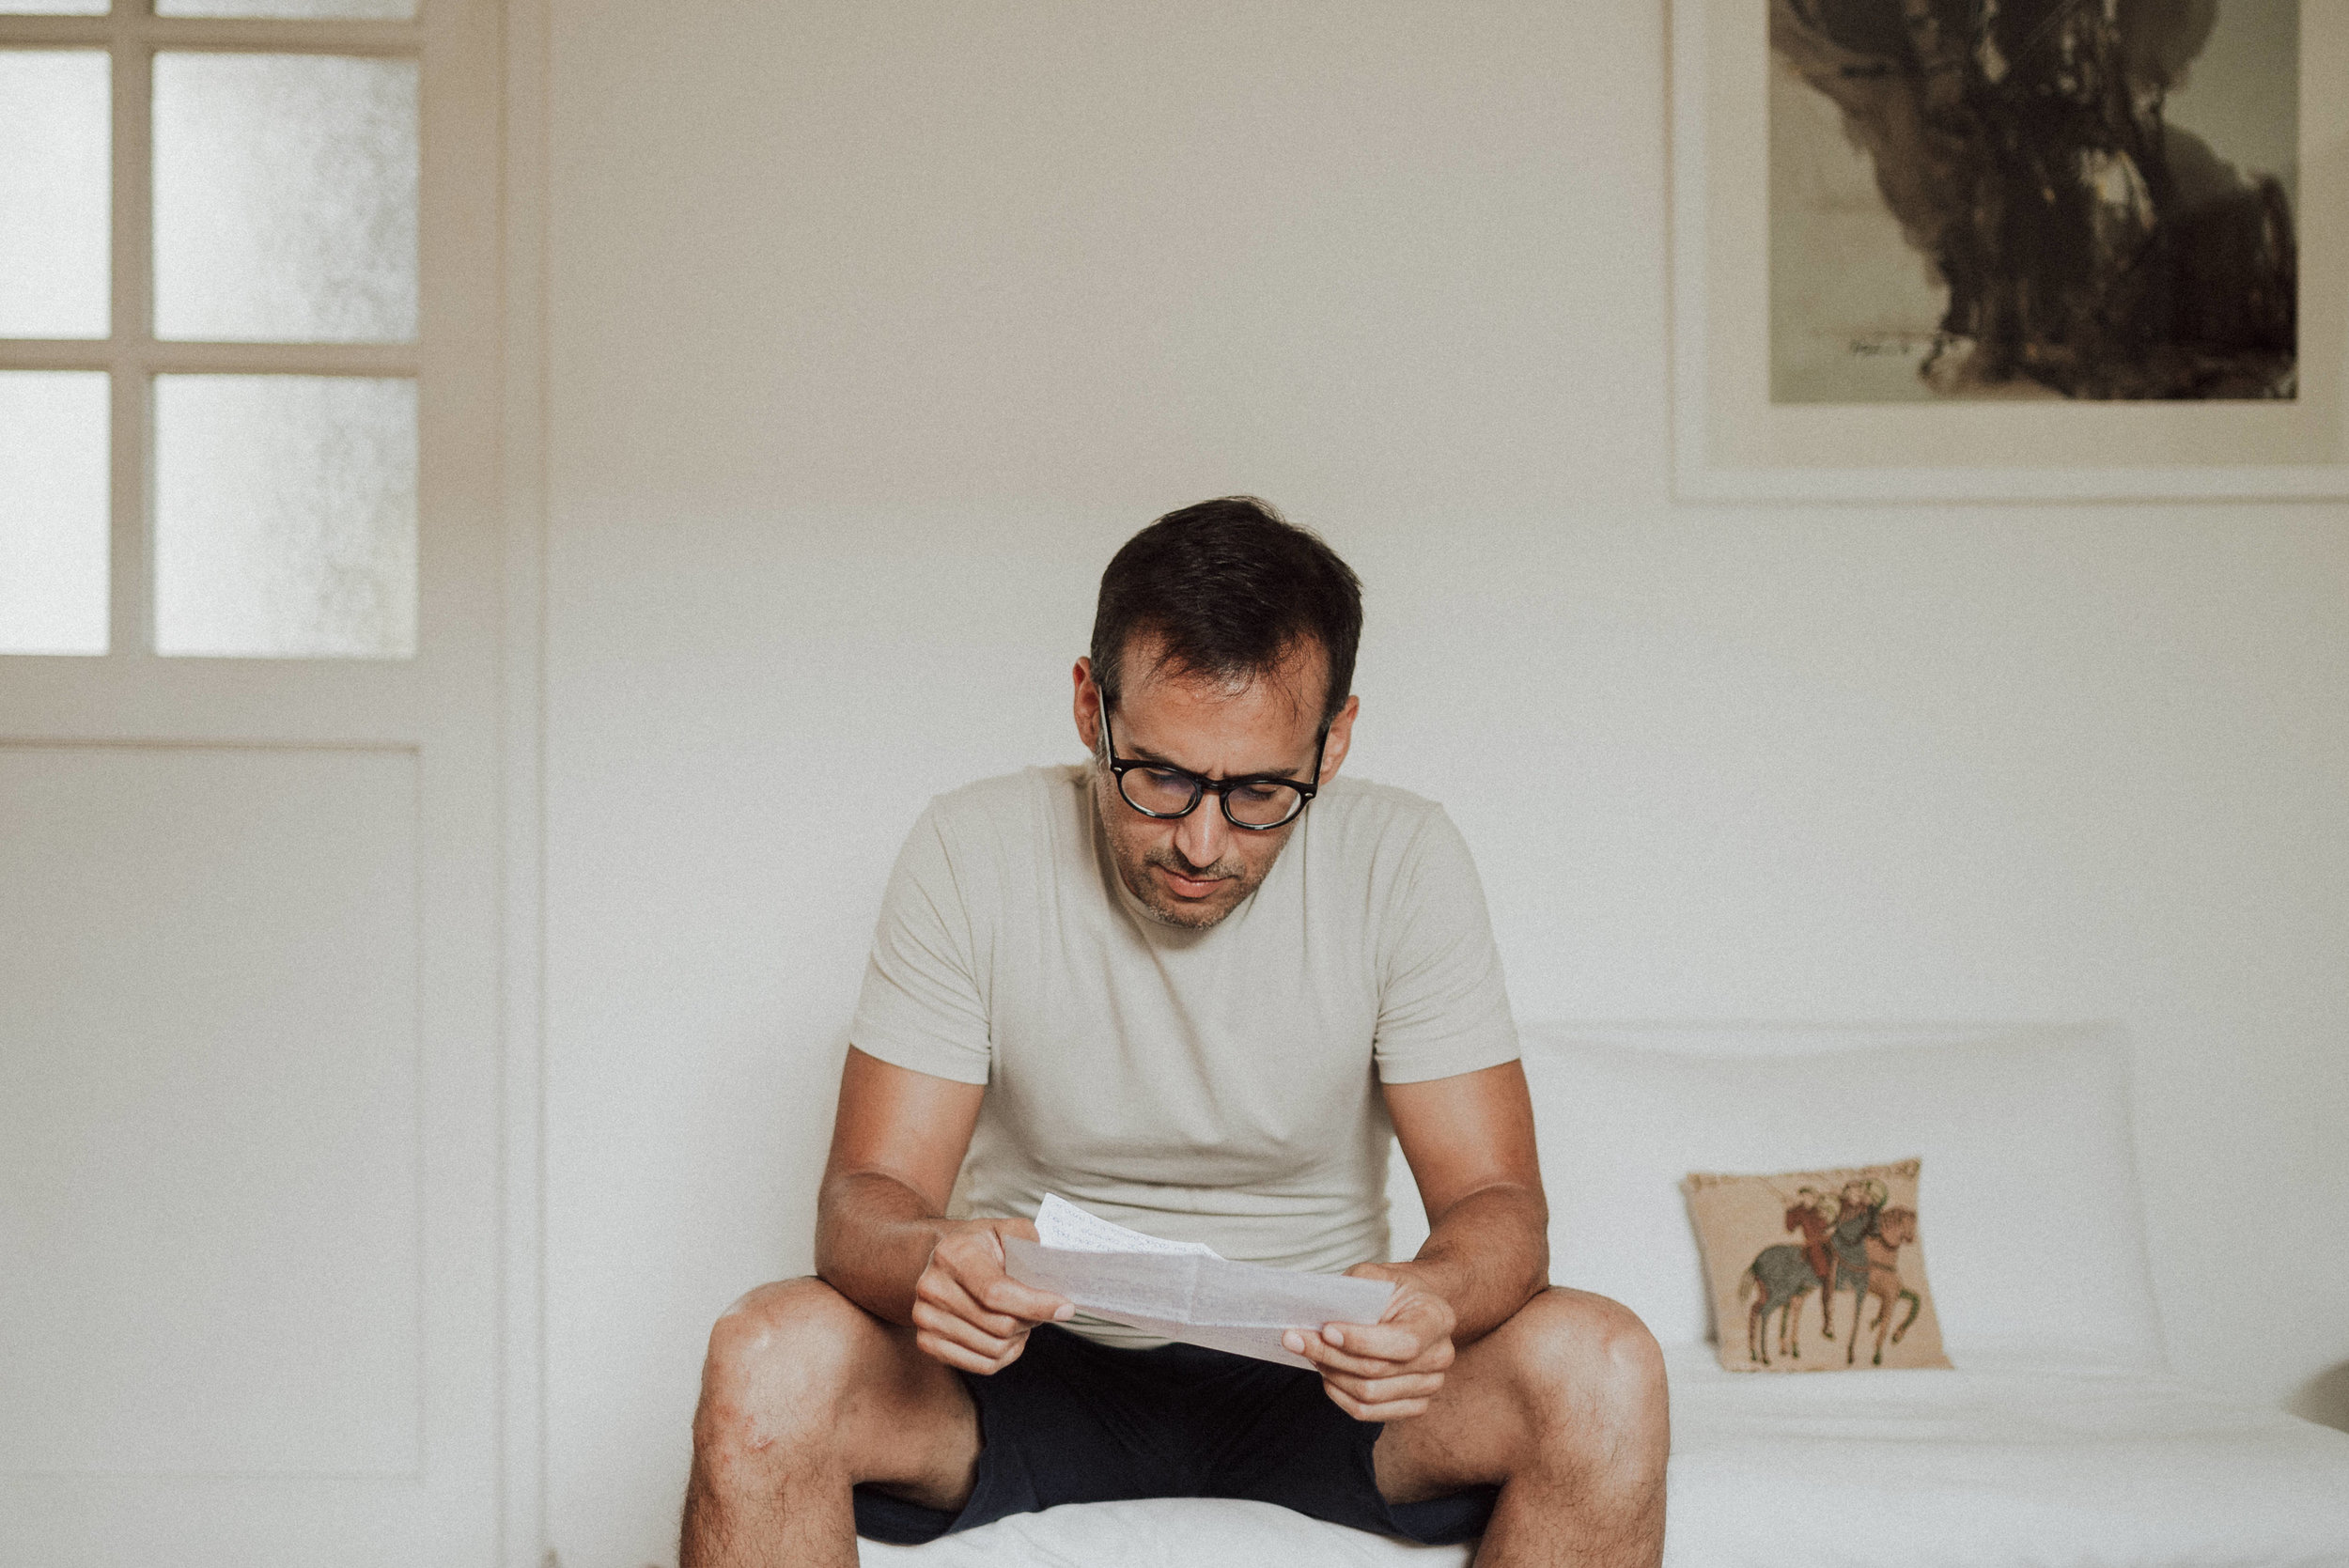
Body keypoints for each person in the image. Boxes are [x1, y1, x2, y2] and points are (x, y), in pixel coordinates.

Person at [679, 498, 1669, 1568]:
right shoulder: (971, 847)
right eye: (1156, 774)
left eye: (1257, 791)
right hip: (1032, 1365)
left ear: (1333, 741)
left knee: (1603, 1364)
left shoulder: (1405, 858)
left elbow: (1496, 1205)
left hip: (1319, 1371)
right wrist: (933, 1259)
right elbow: (862, 1196)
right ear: (1086, 706)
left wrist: (1433, 1296)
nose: (1201, 841)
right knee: (767, 1351)